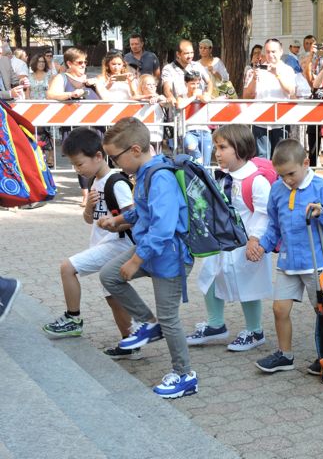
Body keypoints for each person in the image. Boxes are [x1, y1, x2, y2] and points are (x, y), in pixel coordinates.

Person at [98, 117, 196, 399]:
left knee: (169, 317)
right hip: (152, 250)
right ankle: (148, 324)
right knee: (109, 276)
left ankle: (185, 375)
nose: (114, 163)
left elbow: (164, 228)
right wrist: (118, 219)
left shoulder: (159, 176)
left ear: (136, 150)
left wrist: (136, 261)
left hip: (169, 257)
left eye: (115, 157)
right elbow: (144, 211)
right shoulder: (143, 173)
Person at [41, 128, 138, 357]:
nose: (77, 170)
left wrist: (113, 223)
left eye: (79, 164)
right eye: (74, 165)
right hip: (103, 243)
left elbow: (135, 219)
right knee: (113, 298)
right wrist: (89, 207)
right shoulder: (95, 181)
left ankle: (73, 318)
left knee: (68, 267)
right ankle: (131, 344)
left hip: (117, 245)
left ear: (98, 156)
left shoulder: (116, 183)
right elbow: (88, 220)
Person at [251, 139, 323, 374]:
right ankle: (285, 355)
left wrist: (321, 212)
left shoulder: (320, 186)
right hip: (288, 260)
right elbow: (274, 226)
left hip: (316, 261)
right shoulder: (278, 189)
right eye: (281, 175)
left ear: (306, 163)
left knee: (322, 311)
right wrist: (263, 246)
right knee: (279, 309)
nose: (287, 180)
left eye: (291, 173)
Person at [188, 125, 272, 350]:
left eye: (223, 147)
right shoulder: (222, 177)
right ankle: (216, 324)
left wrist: (255, 239)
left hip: (246, 244)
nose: (217, 152)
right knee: (210, 276)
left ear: (240, 148)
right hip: (222, 242)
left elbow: (264, 213)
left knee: (248, 286)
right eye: (216, 147)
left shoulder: (256, 180)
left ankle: (255, 331)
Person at [47, 47, 105, 207]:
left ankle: (97, 191)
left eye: (85, 62)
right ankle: (86, 195)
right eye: (79, 62)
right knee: (82, 159)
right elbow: (51, 94)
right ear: (69, 63)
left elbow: (108, 99)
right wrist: (70, 95)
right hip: (76, 128)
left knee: (96, 158)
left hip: (96, 126)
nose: (83, 65)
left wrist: (98, 85)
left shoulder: (92, 79)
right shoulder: (62, 78)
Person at [243, 38, 296, 158]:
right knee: (262, 157)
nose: (270, 55)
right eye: (267, 52)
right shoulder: (256, 70)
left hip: (281, 121)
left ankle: (279, 177)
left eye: (273, 51)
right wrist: (254, 79)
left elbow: (291, 91)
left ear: (281, 51)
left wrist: (277, 74)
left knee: (281, 157)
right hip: (260, 122)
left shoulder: (287, 70)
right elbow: (247, 96)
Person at [161, 39, 213, 108]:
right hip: (179, 111)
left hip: (199, 109)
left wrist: (208, 94)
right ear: (178, 54)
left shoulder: (197, 65)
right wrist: (170, 96)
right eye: (186, 53)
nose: (190, 56)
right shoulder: (169, 68)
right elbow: (166, 87)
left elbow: (209, 82)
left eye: (192, 52)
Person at [176, 70, 213, 165]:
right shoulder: (182, 96)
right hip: (189, 131)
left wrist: (199, 95)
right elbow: (180, 105)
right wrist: (193, 97)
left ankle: (207, 177)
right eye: (192, 83)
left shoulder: (202, 94)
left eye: (197, 83)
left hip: (205, 131)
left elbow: (207, 99)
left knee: (206, 164)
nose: (196, 86)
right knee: (191, 146)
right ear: (186, 83)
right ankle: (198, 159)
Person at [27, 53, 54, 165]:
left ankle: (50, 158)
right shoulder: (29, 77)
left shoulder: (50, 76)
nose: (41, 64)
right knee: (35, 133)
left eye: (43, 62)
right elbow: (27, 93)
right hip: (33, 108)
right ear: (34, 63)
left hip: (47, 107)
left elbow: (52, 91)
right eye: (39, 61)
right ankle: (37, 157)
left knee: (49, 133)